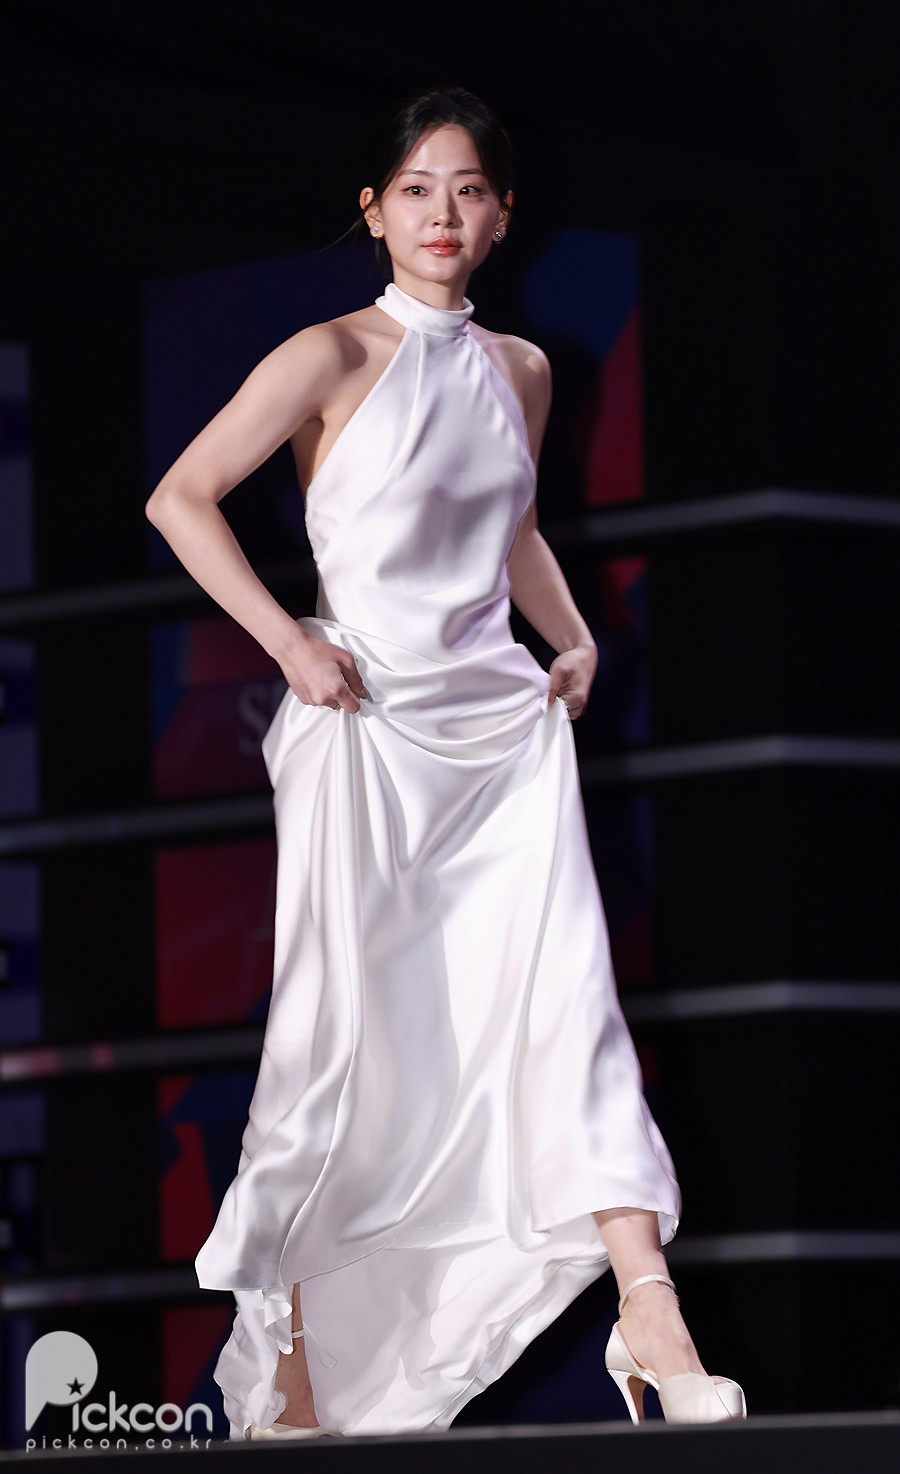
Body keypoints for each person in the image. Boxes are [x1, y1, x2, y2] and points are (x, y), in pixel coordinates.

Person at [146, 85, 746, 1438]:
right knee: (344, 1048)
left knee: (564, 1001)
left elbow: (511, 526)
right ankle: (300, 1383)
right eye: (417, 188)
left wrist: (573, 637)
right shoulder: (329, 354)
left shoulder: (523, 369)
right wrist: (290, 643)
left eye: (468, 189)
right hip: (363, 723)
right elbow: (180, 497)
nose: (442, 213)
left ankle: (651, 1310)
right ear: (373, 210)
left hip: (499, 731)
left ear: (503, 216)